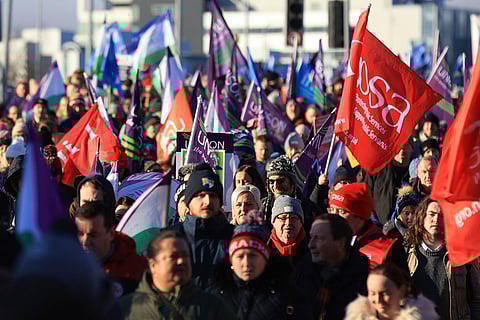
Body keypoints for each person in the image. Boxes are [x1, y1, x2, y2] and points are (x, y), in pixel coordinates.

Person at [119, 231, 236, 320]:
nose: (181, 261)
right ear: (153, 264)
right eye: (173, 257)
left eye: (185, 256)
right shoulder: (127, 309)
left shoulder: (212, 307)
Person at [210, 224, 313, 320]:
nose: (246, 263)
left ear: (265, 258)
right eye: (240, 256)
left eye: (253, 256)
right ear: (231, 260)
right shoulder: (215, 295)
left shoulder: (287, 297)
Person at [404, 197, 480, 320]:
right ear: (422, 217)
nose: (436, 219)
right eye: (431, 214)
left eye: (441, 215)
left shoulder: (462, 254)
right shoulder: (408, 253)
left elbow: (476, 299)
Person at [168, 163, 234, 289]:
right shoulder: (170, 238)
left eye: (213, 196)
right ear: (188, 201)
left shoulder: (235, 237)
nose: (208, 201)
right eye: (200, 195)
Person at [294, 214, 369, 320]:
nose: (311, 245)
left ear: (340, 243)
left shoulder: (365, 280)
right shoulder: (301, 272)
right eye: (311, 237)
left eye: (319, 238)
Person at [328, 183, 408, 271]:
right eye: (331, 210)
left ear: (360, 216)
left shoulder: (387, 249)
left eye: (341, 211)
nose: (334, 216)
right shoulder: (327, 241)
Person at [75, 201, 148, 297]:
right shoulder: (64, 268)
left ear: (111, 234)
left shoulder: (137, 270)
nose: (85, 241)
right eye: (80, 234)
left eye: (93, 235)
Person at [345, 263, 439, 320]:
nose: (378, 300)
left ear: (401, 291)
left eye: (385, 293)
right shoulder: (358, 317)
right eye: (372, 293)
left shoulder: (424, 316)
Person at [262, 155, 319, 232]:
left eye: (280, 181)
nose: (275, 186)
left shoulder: (309, 208)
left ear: (292, 182)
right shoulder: (263, 207)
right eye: (271, 182)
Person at [367, 144, 412, 225]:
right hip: (377, 227)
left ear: (412, 149)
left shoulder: (417, 173)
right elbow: (365, 195)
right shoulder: (378, 169)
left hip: (405, 230)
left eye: (406, 146)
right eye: (399, 146)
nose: (402, 150)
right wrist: (373, 220)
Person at [268, 195, 309, 266]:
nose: (288, 223)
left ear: (301, 223)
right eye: (283, 218)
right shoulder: (262, 253)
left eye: (293, 218)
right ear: (274, 222)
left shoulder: (313, 252)